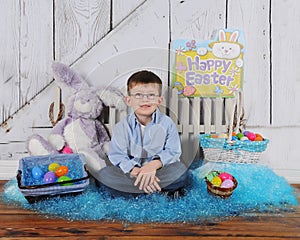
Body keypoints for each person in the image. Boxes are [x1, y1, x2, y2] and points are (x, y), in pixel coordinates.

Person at [96, 70, 189, 198]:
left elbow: (173, 152)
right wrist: (136, 171)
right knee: (104, 175)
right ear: (128, 100)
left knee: (181, 171)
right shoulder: (122, 127)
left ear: (159, 100)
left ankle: (135, 191)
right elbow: (118, 156)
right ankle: (153, 189)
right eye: (138, 95)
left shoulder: (167, 123)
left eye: (151, 95)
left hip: (158, 171)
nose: (145, 99)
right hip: (132, 174)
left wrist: (152, 166)